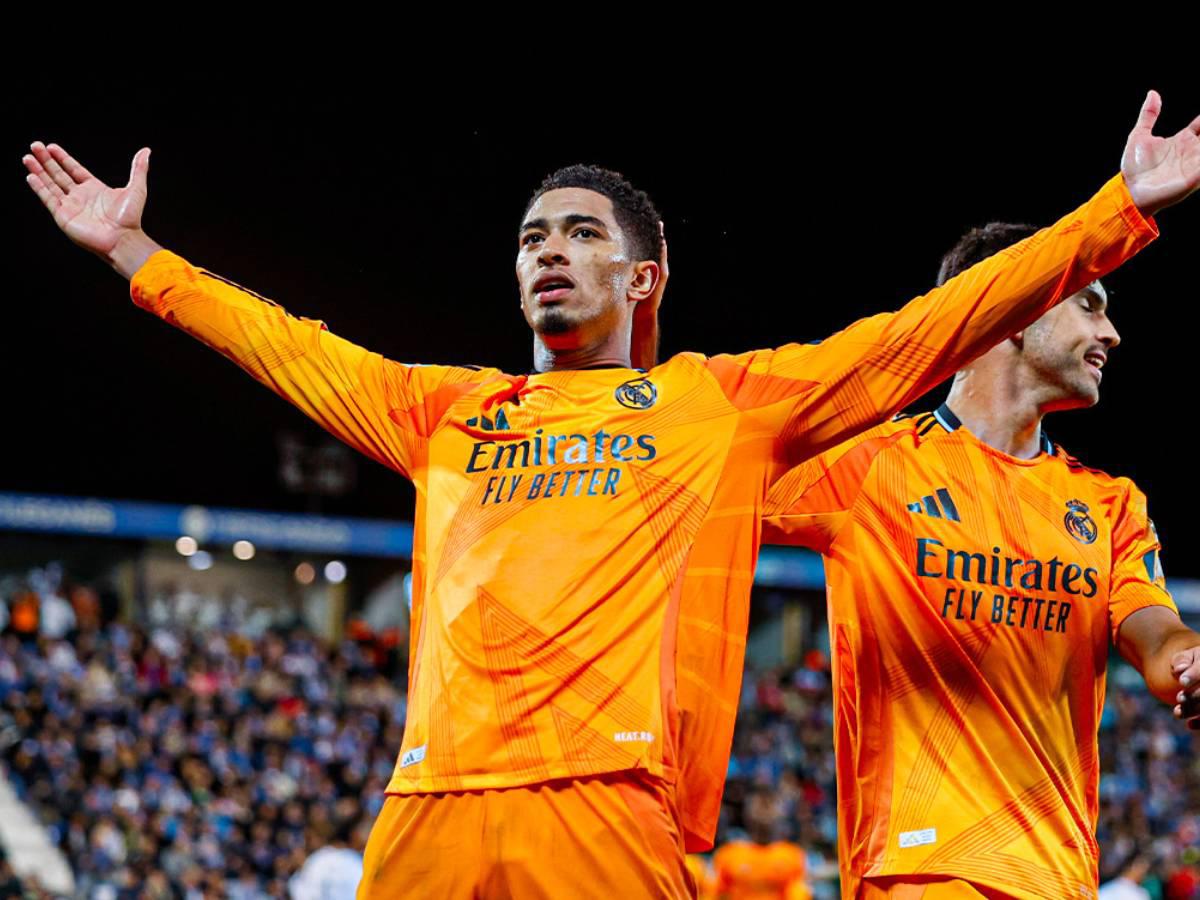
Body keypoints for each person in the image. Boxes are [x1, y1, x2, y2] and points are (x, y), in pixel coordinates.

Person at [23, 91, 1199, 898]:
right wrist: (140, 258)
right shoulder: (448, 411)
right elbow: (291, 347)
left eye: (580, 234)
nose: (547, 250)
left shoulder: (717, 407)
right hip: (425, 805)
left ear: (641, 278)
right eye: (534, 235)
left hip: (608, 806)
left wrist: (1116, 214)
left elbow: (921, 332)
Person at [762, 213, 1200, 896]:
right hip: (921, 871)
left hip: (1060, 878)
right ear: (1015, 307)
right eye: (1089, 304)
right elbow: (717, 481)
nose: (1111, 334)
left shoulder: (1111, 504)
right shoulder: (869, 468)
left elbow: (1158, 638)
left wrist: (1189, 663)